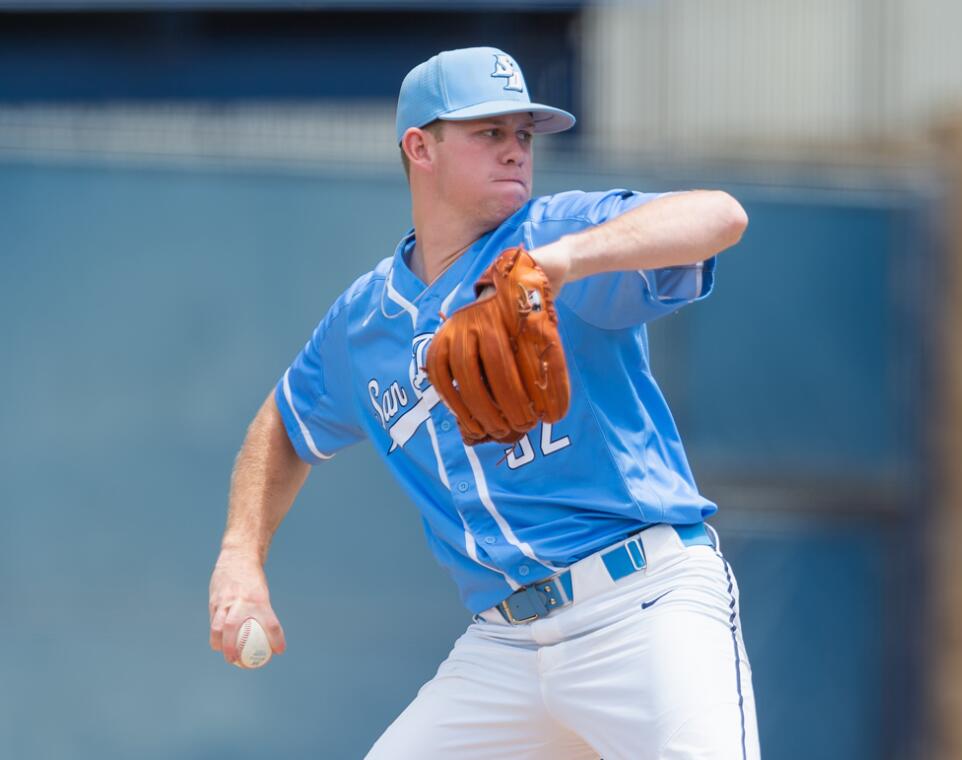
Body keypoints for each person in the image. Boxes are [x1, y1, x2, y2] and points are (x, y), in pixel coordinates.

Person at [207, 46, 759, 759]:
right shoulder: (364, 322)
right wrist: (240, 554)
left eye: (523, 134)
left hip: (643, 608)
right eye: (488, 133)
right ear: (420, 147)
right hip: (506, 644)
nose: (515, 152)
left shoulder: (557, 233)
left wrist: (564, 264)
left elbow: (721, 215)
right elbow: (283, 423)